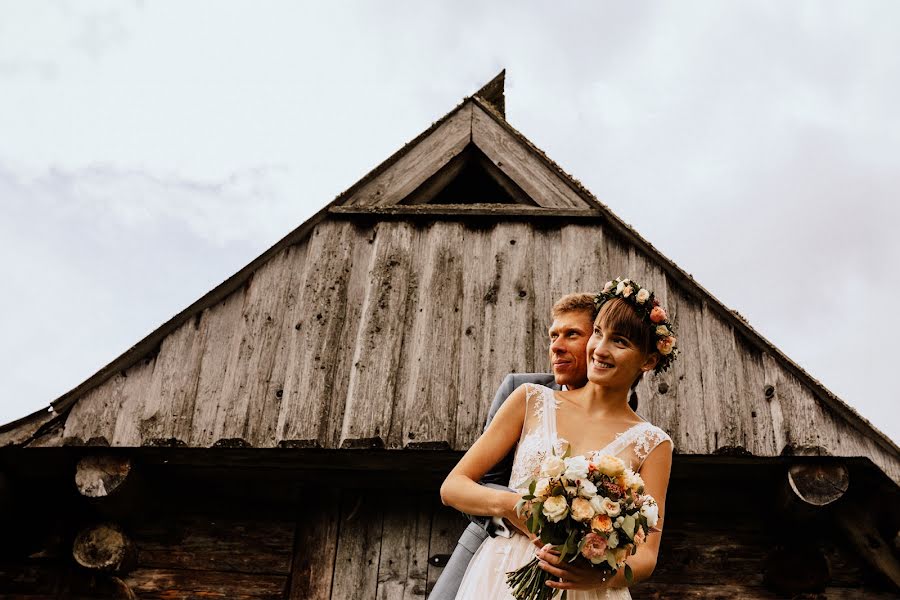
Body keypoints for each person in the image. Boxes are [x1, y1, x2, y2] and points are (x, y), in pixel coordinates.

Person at [440, 278, 676, 599]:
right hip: (502, 569)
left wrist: (599, 577)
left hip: (587, 587)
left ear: (648, 360)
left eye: (618, 341)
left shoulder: (653, 443)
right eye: (597, 334)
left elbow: (647, 556)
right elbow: (452, 486)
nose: (600, 349)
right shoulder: (529, 399)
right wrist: (514, 505)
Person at [429, 293, 597, 600]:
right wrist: (524, 512)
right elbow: (479, 480)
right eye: (553, 335)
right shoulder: (522, 392)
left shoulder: (630, 427)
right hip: (488, 551)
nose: (556, 346)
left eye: (572, 334)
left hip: (571, 576)